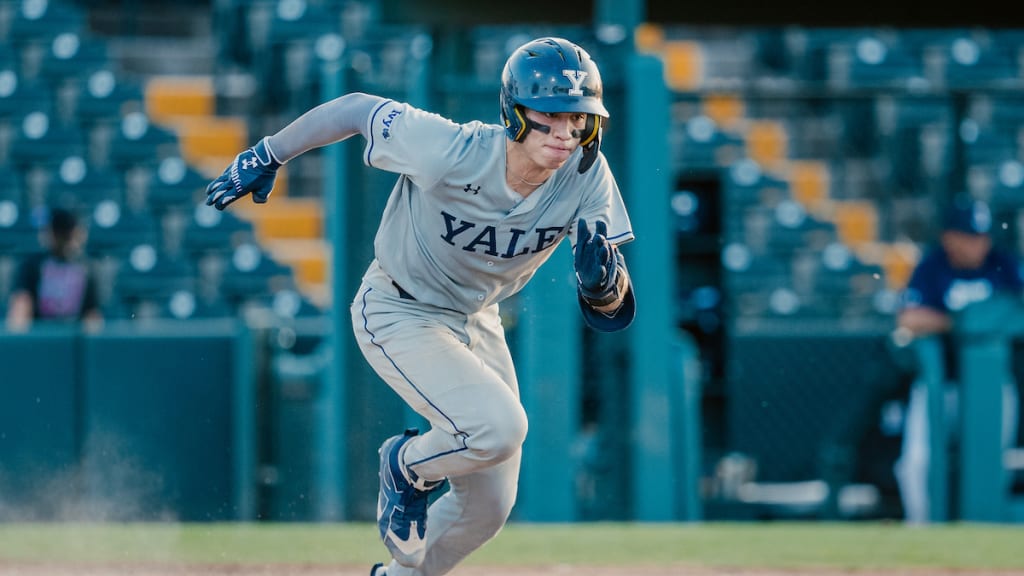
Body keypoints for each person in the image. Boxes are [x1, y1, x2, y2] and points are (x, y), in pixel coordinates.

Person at [206, 37, 635, 575]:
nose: (564, 131)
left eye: (577, 116)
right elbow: (356, 109)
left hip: (475, 317)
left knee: (489, 506)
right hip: (398, 306)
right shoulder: (450, 149)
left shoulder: (585, 174)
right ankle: (405, 465)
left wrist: (603, 286)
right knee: (499, 428)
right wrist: (271, 152)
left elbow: (612, 307)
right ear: (515, 112)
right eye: (548, 114)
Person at [892, 196, 1022, 523]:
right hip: (940, 384)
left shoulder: (1002, 264)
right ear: (949, 237)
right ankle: (921, 533)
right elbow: (909, 319)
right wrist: (962, 322)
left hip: (992, 385)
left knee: (992, 461)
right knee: (917, 463)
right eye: (969, 236)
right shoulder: (933, 265)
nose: (978, 245)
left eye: (982, 236)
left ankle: (985, 529)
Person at [5, 206, 102, 332]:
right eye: (60, 232)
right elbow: (21, 304)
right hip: (40, 338)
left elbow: (92, 314)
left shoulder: (88, 268)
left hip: (73, 340)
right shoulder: (33, 265)